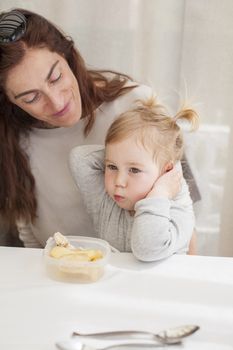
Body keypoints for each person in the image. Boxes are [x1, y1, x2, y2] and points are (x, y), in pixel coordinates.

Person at [0, 8, 200, 248]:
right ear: (9, 102)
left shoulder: (137, 105)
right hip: (56, 276)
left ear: (68, 56)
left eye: (55, 77)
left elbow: (185, 222)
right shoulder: (12, 139)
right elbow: (24, 235)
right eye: (31, 98)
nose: (56, 101)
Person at [69, 97, 198, 261]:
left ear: (167, 171)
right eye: (112, 167)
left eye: (134, 170)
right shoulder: (106, 201)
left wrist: (160, 192)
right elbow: (78, 159)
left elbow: (147, 249)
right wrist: (123, 152)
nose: (119, 181)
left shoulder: (177, 209)